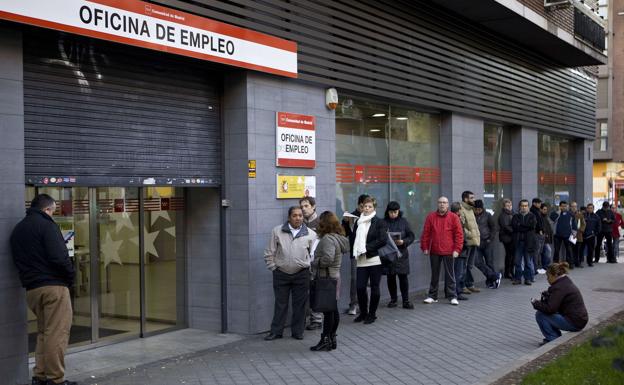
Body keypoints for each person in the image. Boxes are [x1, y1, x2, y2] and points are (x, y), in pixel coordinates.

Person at [10, 194, 77, 385]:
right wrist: (70, 277)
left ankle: (39, 376)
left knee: (44, 332)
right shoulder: (47, 226)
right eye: (53, 211)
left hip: (32, 289)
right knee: (57, 334)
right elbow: (59, 257)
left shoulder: (19, 229)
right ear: (47, 209)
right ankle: (56, 379)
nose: (53, 215)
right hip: (53, 287)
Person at [264, 206, 317, 341]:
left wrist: (309, 268)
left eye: (300, 215)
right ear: (289, 217)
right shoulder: (277, 231)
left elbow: (313, 254)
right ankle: (276, 331)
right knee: (280, 304)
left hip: (301, 274)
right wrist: (273, 267)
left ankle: (298, 332)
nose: (298, 218)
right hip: (281, 273)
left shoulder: (310, 233)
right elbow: (270, 251)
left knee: (300, 305)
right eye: (294, 215)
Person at [309, 211, 349, 352]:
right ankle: (331, 338)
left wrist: (314, 262)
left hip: (327, 278)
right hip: (334, 277)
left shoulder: (327, 239)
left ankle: (326, 339)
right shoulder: (338, 238)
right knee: (333, 310)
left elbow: (328, 259)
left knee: (328, 311)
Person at [531, 262, 588, 345]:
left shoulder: (558, 287)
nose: (547, 279)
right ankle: (555, 336)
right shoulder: (564, 282)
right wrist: (548, 297)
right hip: (580, 319)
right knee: (546, 313)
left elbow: (550, 309)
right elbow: (556, 304)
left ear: (555, 275)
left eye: (548, 276)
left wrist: (536, 303)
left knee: (540, 315)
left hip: (575, 322)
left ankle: (553, 339)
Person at [421, 197, 464, 306]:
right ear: (437, 204)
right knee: (434, 275)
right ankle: (432, 296)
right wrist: (425, 247)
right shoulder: (431, 217)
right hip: (435, 250)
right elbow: (426, 233)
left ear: (448, 205)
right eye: (440, 202)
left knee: (450, 275)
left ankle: (452, 296)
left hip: (449, 251)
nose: (442, 204)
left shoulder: (454, 217)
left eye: (444, 202)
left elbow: (459, 235)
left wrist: (457, 249)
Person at [352, 196, 387, 324]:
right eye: (365, 206)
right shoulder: (358, 222)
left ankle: (372, 314)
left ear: (374, 208)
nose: (366, 208)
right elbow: (354, 238)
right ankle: (363, 312)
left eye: (369, 206)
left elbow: (383, 240)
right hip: (361, 260)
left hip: (374, 259)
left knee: (374, 287)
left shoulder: (379, 222)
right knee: (360, 287)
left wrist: (366, 248)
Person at [382, 201, 416, 309]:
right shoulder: (383, 222)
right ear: (387, 212)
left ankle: (405, 300)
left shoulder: (403, 222)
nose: (393, 214)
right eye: (391, 212)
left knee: (403, 278)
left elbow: (411, 236)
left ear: (398, 211)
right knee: (390, 278)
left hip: (401, 254)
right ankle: (393, 299)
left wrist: (404, 241)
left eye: (395, 212)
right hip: (388, 255)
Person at [342, 194, 369, 316]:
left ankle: (365, 305)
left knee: (367, 280)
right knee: (355, 279)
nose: (364, 209)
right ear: (358, 205)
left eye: (367, 206)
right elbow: (343, 234)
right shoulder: (351, 216)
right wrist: (345, 223)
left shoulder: (370, 216)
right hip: (355, 252)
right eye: (362, 206)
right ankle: (353, 304)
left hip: (368, 252)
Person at [300, 197, 323, 331]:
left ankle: (317, 319)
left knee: (316, 291)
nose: (303, 209)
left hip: (316, 262)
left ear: (313, 206)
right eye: (302, 206)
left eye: (306, 206)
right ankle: (305, 318)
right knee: (304, 292)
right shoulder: (300, 222)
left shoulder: (320, 222)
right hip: (303, 261)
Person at [473, 200, 502, 289]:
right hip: (477, 242)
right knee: (477, 262)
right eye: (476, 209)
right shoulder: (472, 215)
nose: (477, 211)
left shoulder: (487, 215)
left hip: (487, 242)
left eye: (479, 209)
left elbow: (494, 228)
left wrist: (490, 239)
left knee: (489, 262)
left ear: (482, 208)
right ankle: (495, 276)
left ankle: (491, 282)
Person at [459, 191, 481, 295]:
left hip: (474, 241)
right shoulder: (461, 209)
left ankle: (469, 284)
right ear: (465, 199)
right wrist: (470, 234)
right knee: (464, 265)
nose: (474, 200)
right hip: (467, 242)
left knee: (469, 265)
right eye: (471, 198)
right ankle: (463, 286)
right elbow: (461, 227)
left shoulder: (471, 209)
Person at [512, 199, 537, 285]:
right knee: (517, 261)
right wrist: (525, 227)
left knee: (528, 262)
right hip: (518, 242)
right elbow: (515, 227)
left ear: (528, 207)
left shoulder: (532, 216)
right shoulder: (516, 216)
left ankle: (528, 279)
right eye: (522, 206)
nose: (524, 207)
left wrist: (521, 226)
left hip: (528, 242)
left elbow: (532, 226)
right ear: (520, 207)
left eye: (526, 206)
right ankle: (518, 278)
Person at [549, 201, 576, 265]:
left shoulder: (571, 214)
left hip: (568, 235)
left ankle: (570, 263)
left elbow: (574, 224)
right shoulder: (555, 213)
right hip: (557, 235)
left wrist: (574, 233)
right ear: (560, 206)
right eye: (562, 206)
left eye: (565, 206)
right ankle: (555, 264)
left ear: (567, 206)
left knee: (569, 250)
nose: (564, 207)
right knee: (556, 250)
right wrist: (558, 212)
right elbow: (551, 220)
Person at [498, 199, 515, 279]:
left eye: (510, 205)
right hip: (507, 237)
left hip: (511, 237)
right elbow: (505, 226)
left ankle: (510, 271)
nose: (509, 207)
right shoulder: (503, 215)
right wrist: (514, 231)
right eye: (507, 206)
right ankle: (508, 272)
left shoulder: (512, 213)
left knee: (511, 255)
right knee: (509, 255)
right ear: (504, 206)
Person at [530, 198, 545, 275]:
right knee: (536, 252)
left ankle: (537, 267)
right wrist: (540, 230)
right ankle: (535, 268)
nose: (540, 205)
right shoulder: (533, 211)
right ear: (534, 203)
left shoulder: (537, 211)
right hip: (536, 233)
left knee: (538, 252)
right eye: (539, 203)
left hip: (539, 233)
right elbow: (537, 223)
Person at [538, 203, 554, 274]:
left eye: (546, 210)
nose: (545, 211)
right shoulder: (540, 217)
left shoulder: (546, 217)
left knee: (546, 253)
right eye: (544, 209)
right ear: (540, 209)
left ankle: (545, 267)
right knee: (547, 252)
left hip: (546, 238)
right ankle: (545, 267)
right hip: (543, 238)